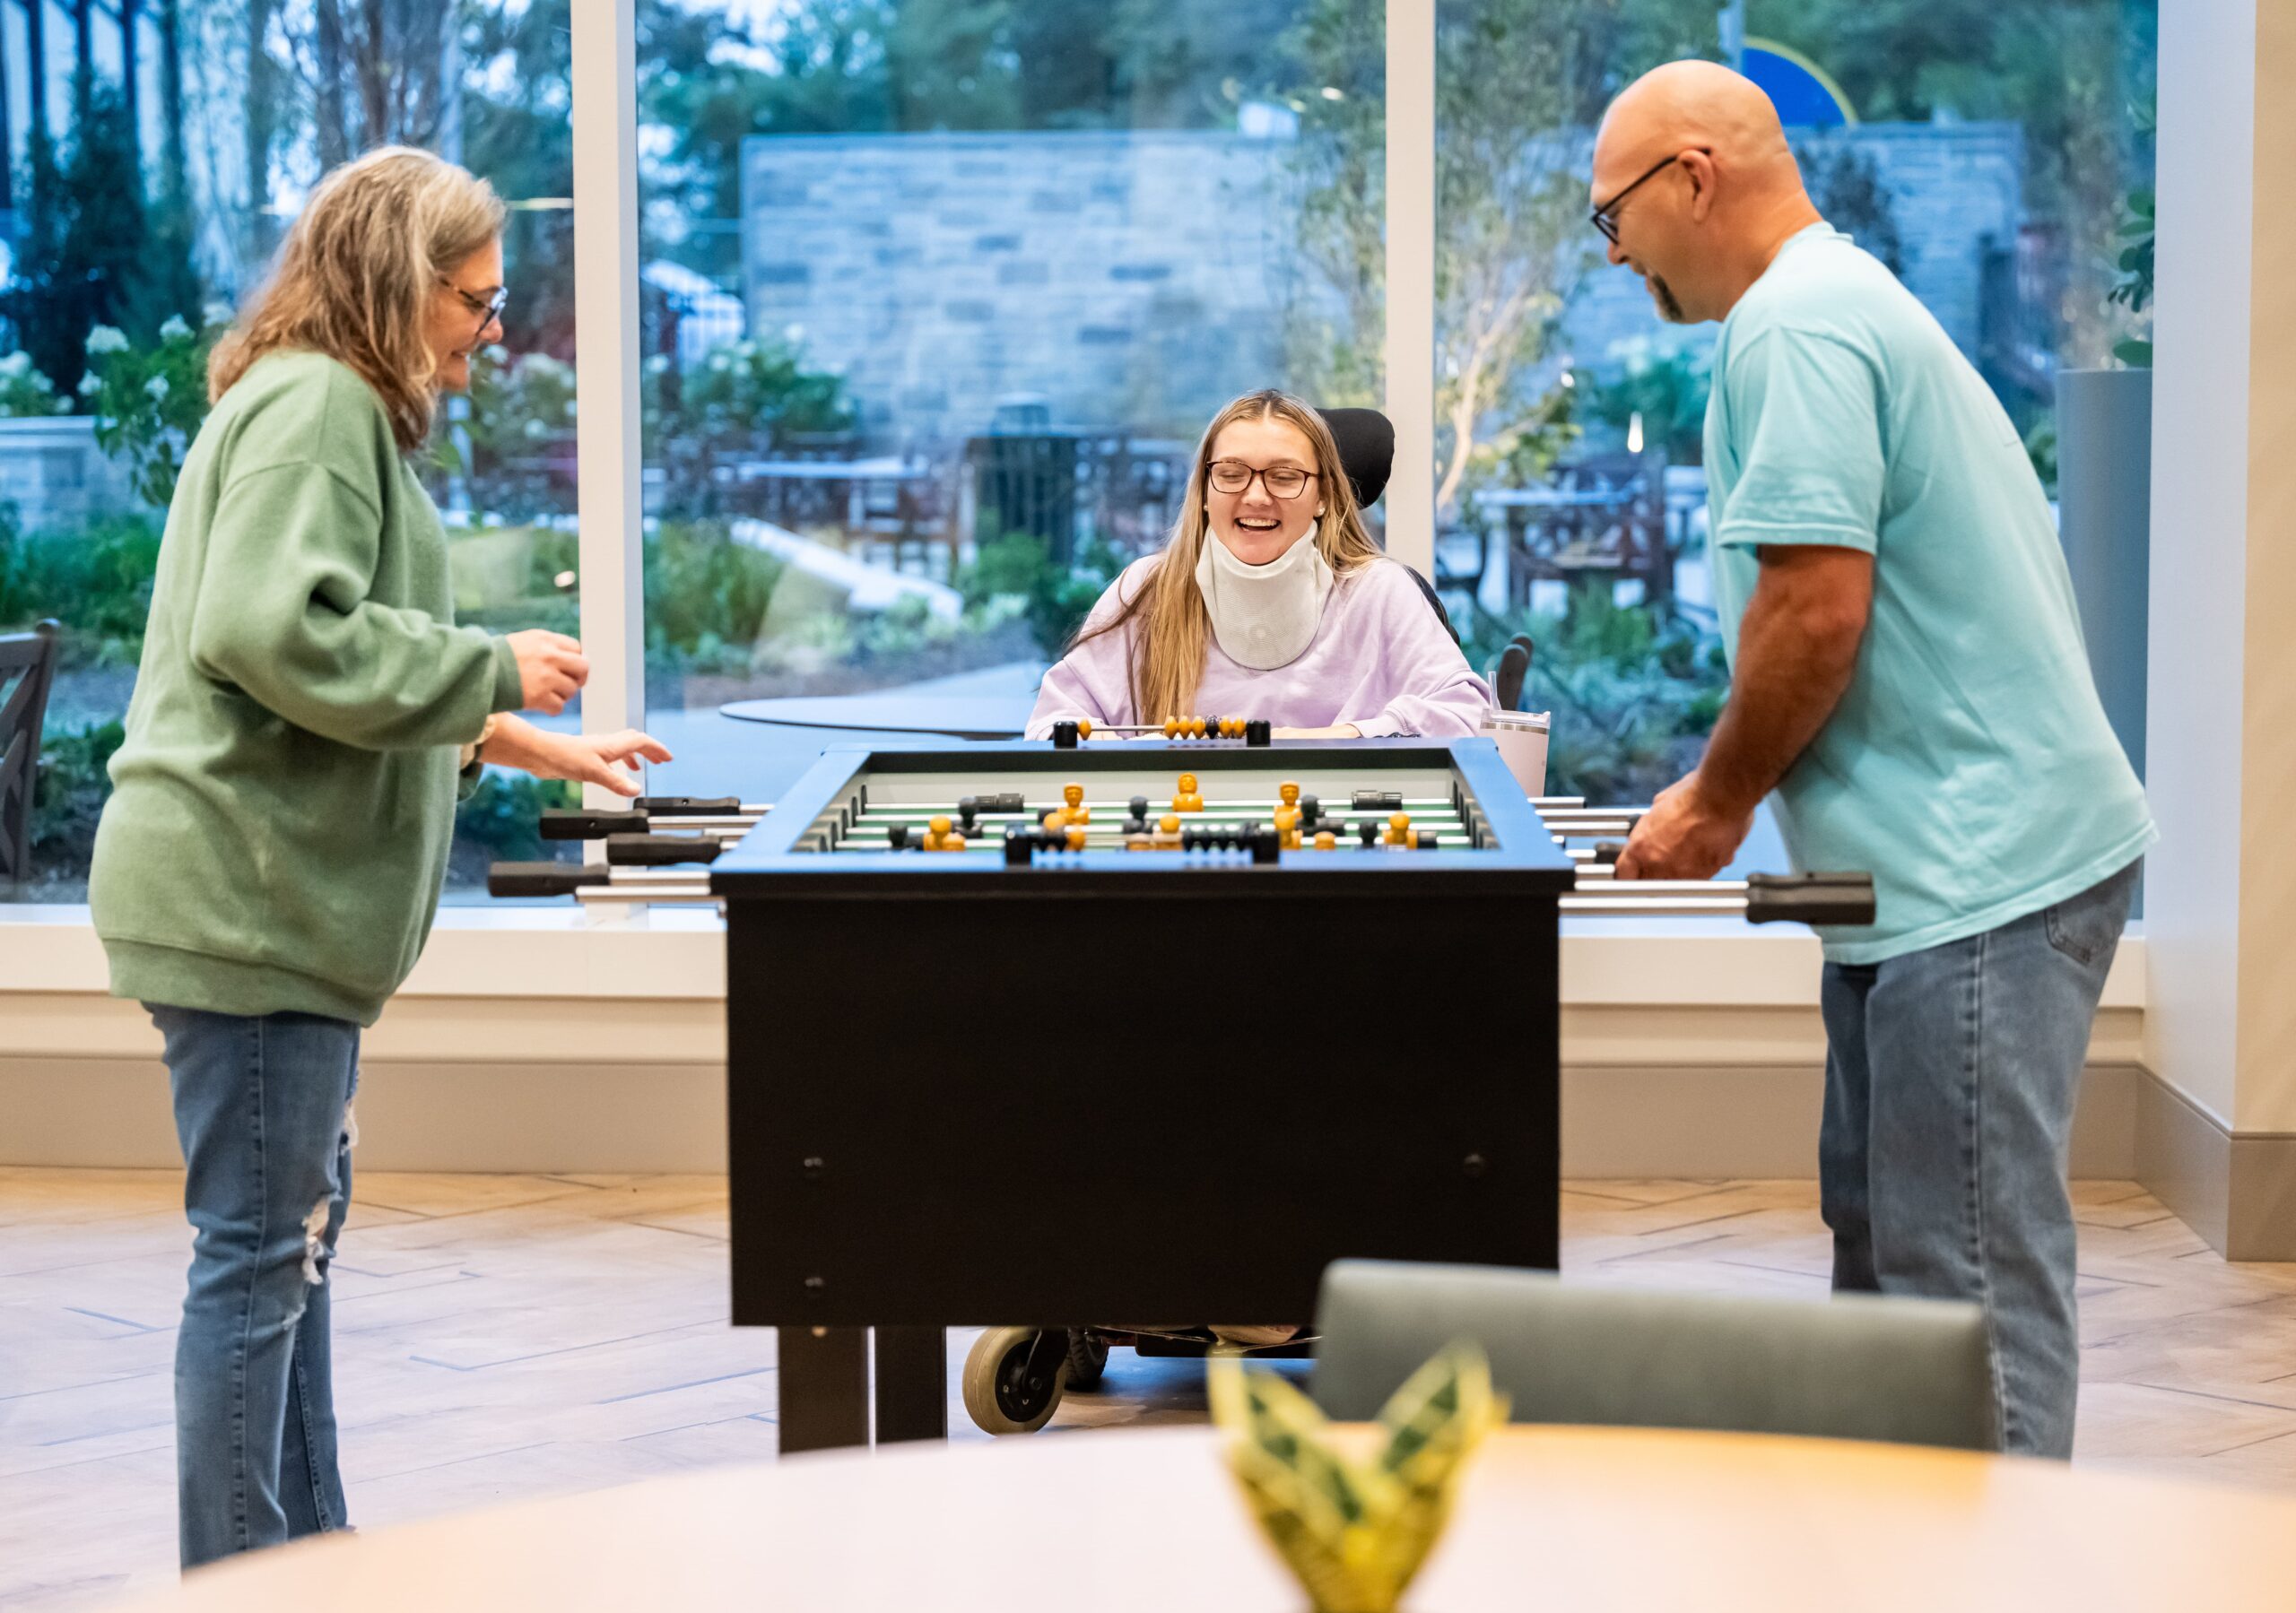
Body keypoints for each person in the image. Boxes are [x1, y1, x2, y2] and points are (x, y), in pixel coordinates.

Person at [87, 146, 670, 1567]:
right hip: (249, 905)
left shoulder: (308, 399)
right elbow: (270, 632)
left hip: (267, 906)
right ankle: (244, 1579)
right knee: (258, 1260)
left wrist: (531, 740)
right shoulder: (320, 406)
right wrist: (490, 663)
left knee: (288, 1252)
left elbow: (322, 659)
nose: (491, 329)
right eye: (475, 297)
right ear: (399, 284)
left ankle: (307, 1556)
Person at [1592, 62, 2155, 1458]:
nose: (1613, 254)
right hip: (1928, 873)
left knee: (1960, 1281)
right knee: (1887, 1248)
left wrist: (1716, 801)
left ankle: (2004, 1556)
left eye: (1612, 217)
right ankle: (1898, 1546)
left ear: (1693, 178)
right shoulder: (1830, 301)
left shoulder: (1798, 322)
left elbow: (1814, 612)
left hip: (1980, 866)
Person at [1024, 389, 1490, 740]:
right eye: (1231, 474)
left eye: (1284, 477)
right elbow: (1051, 726)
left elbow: (1467, 717)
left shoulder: (1378, 593)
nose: (1256, 496)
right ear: (1204, 492)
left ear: (1324, 495)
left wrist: (1330, 740)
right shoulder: (1147, 590)